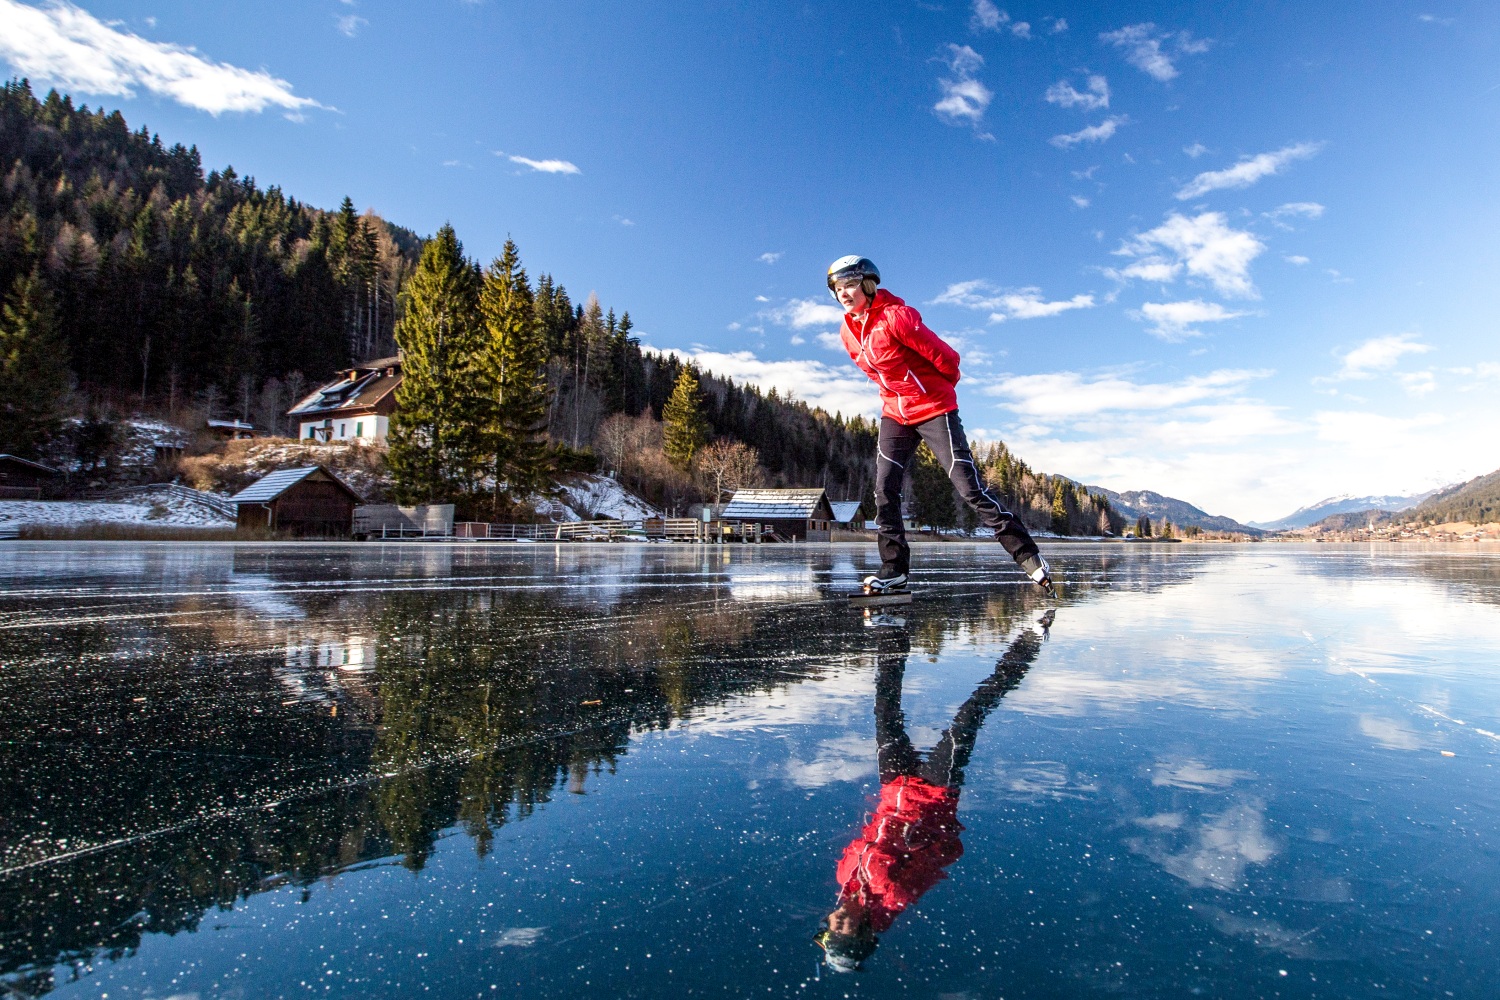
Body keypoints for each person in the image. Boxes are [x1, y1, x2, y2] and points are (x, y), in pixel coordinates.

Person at [814, 619, 1049, 973]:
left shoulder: (844, 882)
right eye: (841, 934)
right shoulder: (895, 894)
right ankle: (1031, 641)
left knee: (885, 708)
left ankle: (890, 630)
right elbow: (948, 850)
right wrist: (924, 831)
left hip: (894, 787)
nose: (834, 925)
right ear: (860, 933)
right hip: (934, 794)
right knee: (969, 716)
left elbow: (868, 837)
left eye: (829, 932)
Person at [827, 255, 1052, 595]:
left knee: (968, 487)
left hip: (933, 407)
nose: (844, 293)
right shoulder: (848, 332)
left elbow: (948, 359)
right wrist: (897, 397)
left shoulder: (897, 317)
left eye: (851, 285)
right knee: (884, 489)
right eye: (838, 288)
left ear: (868, 284)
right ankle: (894, 570)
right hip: (895, 414)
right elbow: (876, 373)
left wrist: (936, 390)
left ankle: (1028, 557)